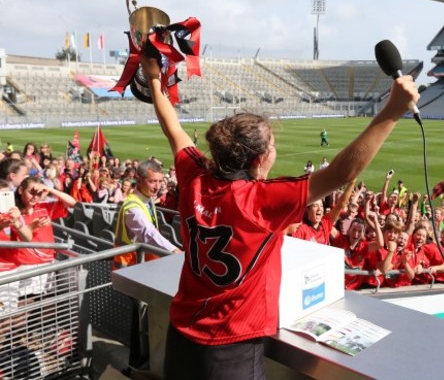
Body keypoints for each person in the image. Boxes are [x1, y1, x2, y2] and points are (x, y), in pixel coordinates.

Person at [140, 48, 418, 380]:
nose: (275, 150)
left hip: (181, 337)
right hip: (232, 350)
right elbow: (341, 174)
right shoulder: (262, 201)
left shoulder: (193, 175)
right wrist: (392, 111)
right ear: (259, 160)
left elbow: (172, 126)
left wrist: (154, 77)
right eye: (271, 145)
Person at [112, 159, 182, 374]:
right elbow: (149, 235)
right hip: (132, 268)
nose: (157, 186)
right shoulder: (133, 207)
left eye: (160, 181)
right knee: (139, 322)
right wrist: (174, 250)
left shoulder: (145, 200)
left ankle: (143, 362)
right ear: (139, 180)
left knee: (144, 319)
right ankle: (136, 366)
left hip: (142, 268)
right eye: (152, 181)